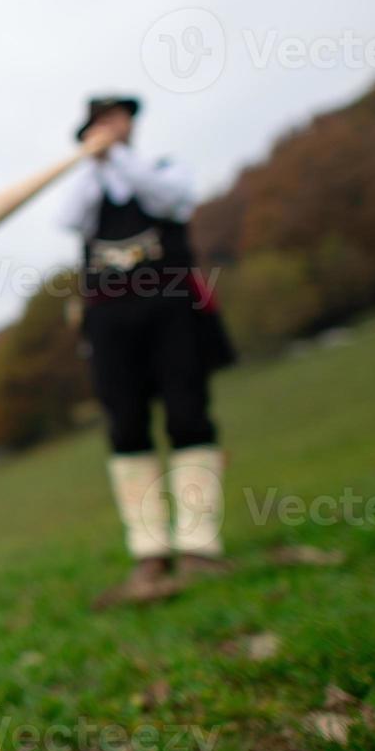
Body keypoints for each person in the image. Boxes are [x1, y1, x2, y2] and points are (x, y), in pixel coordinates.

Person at [61, 97, 236, 607]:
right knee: (126, 428)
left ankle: (200, 545)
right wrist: (94, 164)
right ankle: (150, 551)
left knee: (188, 415)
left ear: (131, 125)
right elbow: (68, 219)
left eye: (117, 119)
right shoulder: (87, 190)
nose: (109, 129)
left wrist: (119, 156)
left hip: (171, 309)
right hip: (111, 321)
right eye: (99, 123)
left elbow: (168, 200)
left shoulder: (160, 170)